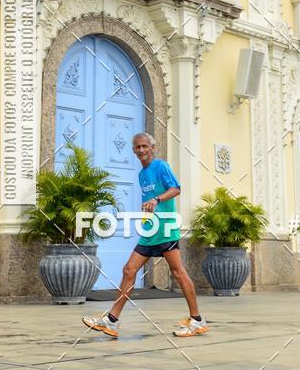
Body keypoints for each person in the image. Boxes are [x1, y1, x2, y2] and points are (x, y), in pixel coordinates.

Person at [82, 132, 208, 339]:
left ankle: (197, 320)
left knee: (178, 272)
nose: (141, 150)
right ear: (133, 151)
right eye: (137, 147)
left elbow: (176, 189)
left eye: (144, 146)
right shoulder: (142, 174)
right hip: (149, 231)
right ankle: (111, 321)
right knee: (128, 270)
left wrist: (156, 200)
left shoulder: (160, 166)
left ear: (152, 147)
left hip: (165, 229)